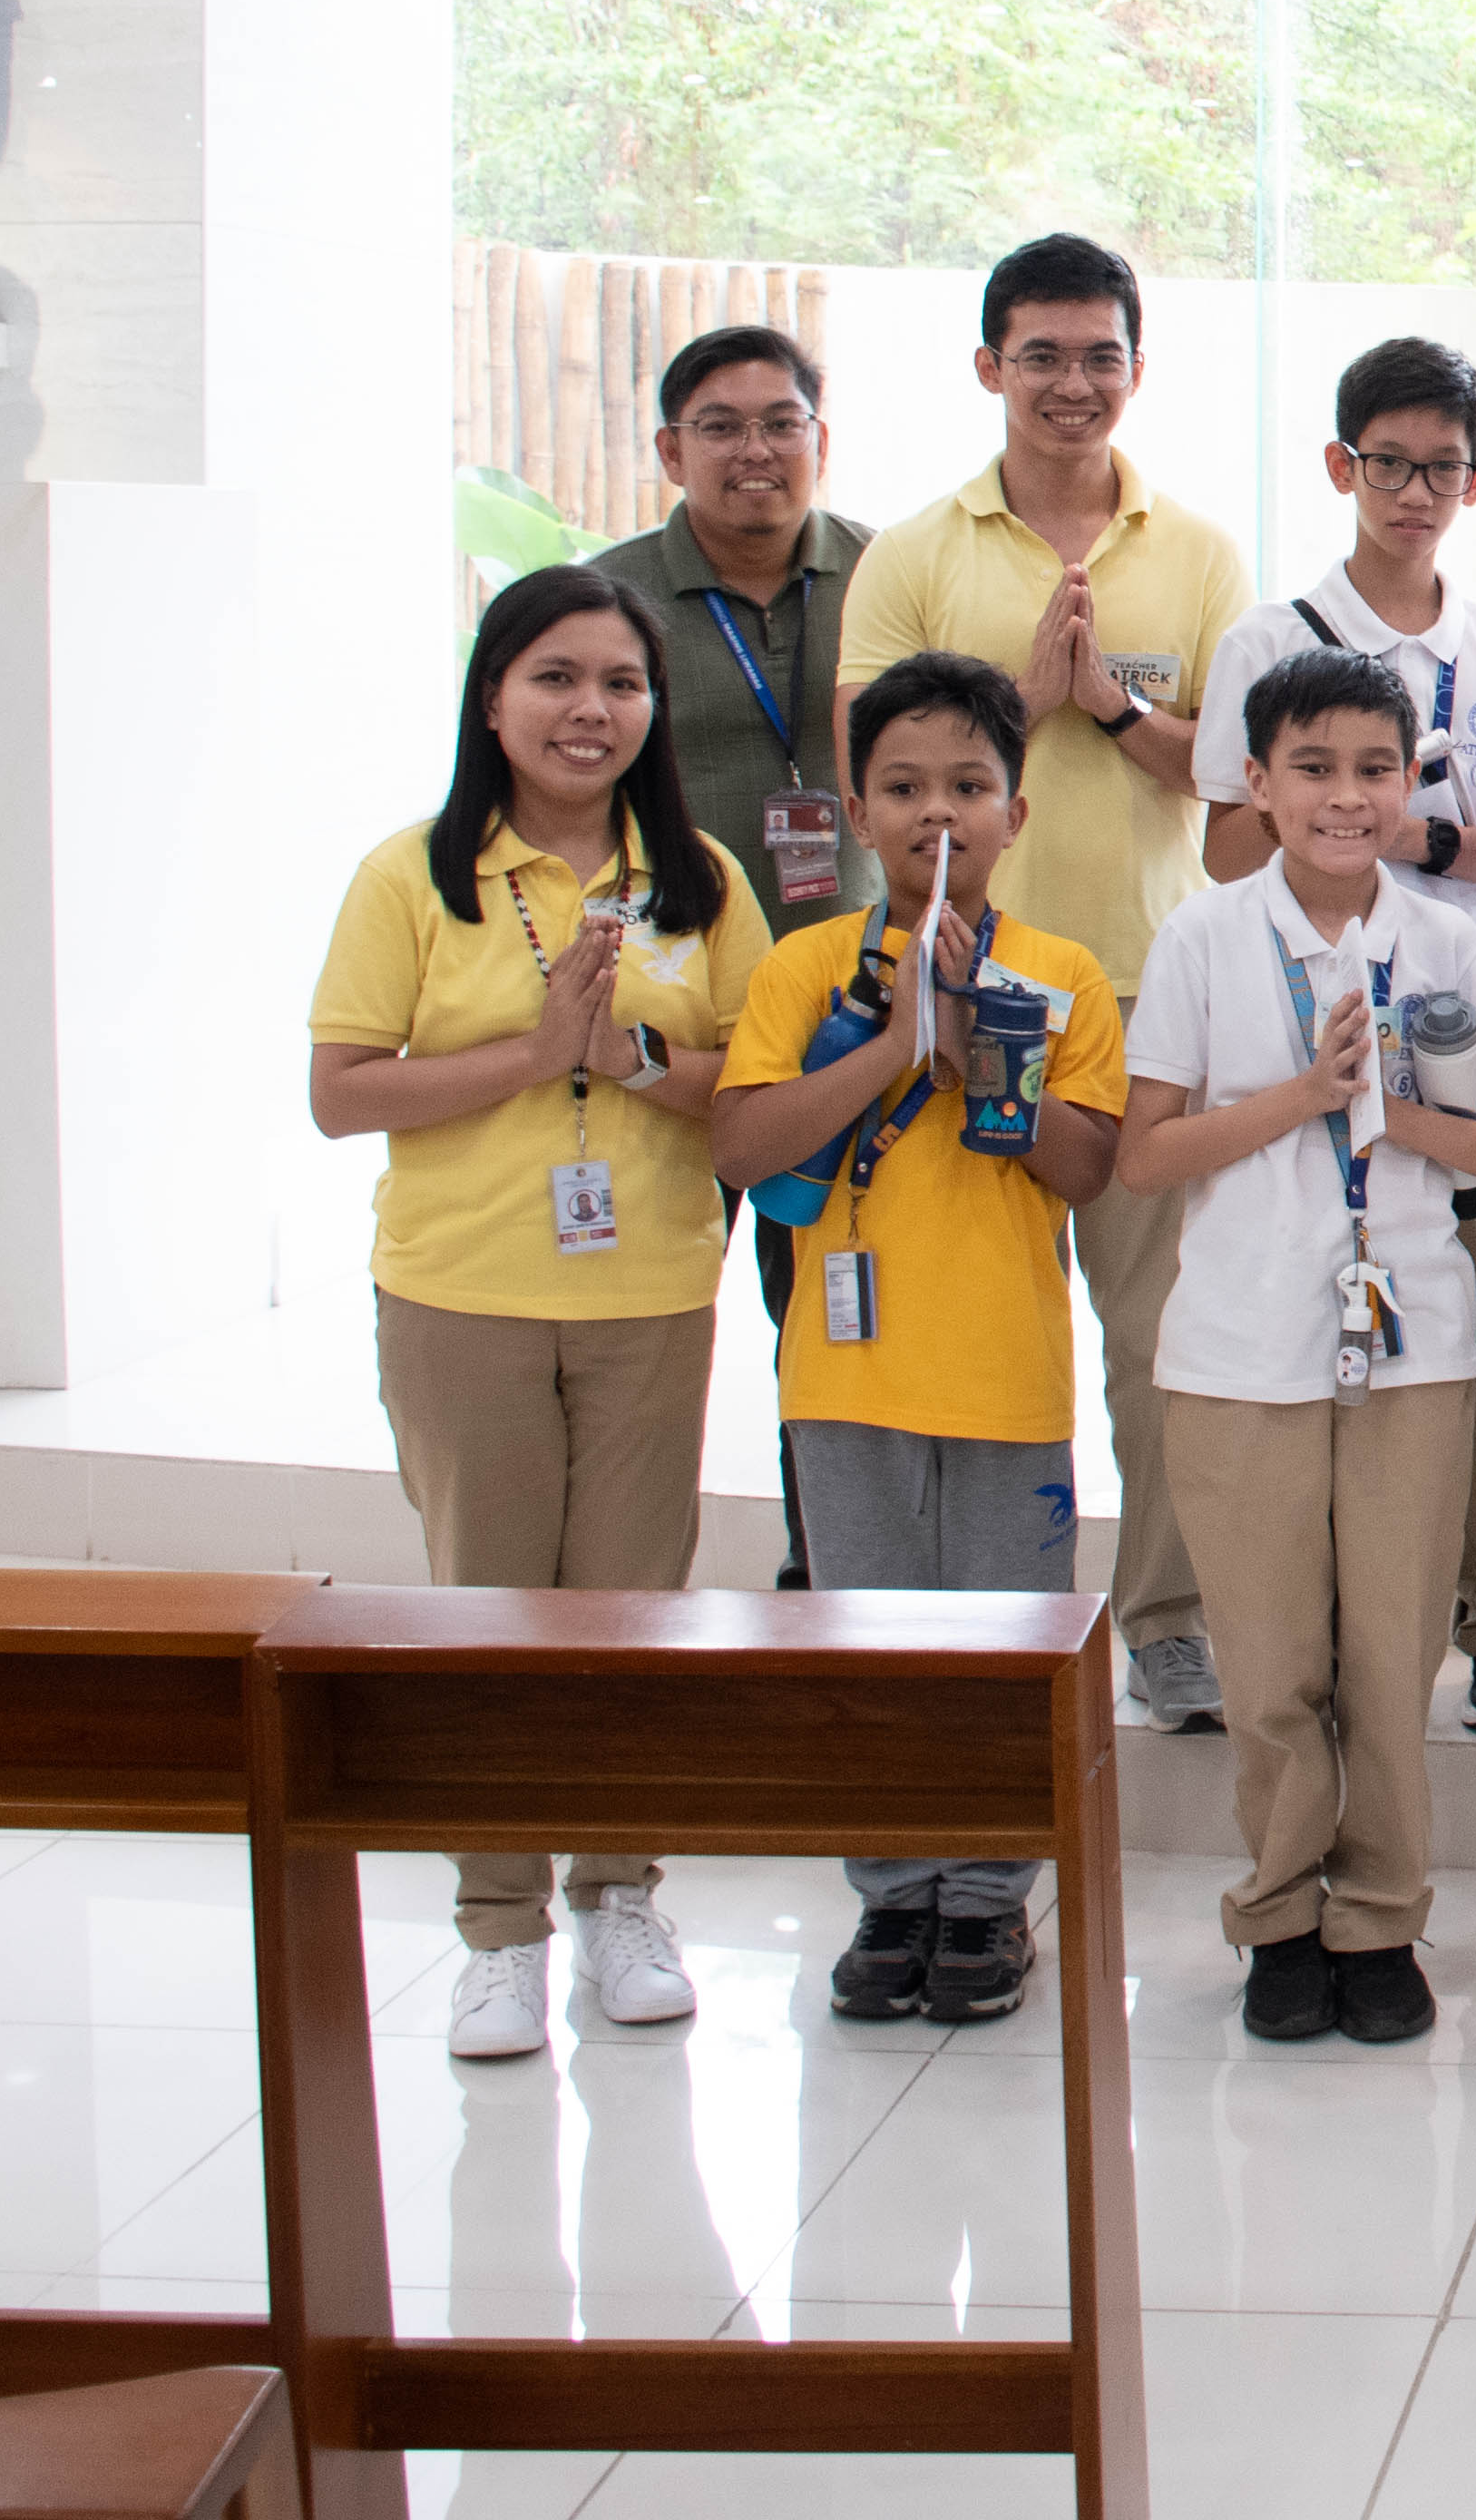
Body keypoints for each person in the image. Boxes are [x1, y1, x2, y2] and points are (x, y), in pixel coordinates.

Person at [307, 566, 769, 2062]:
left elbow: (757, 1085)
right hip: (461, 1293)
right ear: (493, 699)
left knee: (630, 1614)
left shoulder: (699, 877)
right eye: (556, 678)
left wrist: (633, 1058)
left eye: (621, 683)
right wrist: (532, 1053)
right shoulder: (414, 877)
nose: (591, 710)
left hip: (649, 1290)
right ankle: (499, 1929)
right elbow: (341, 1093)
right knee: (487, 1616)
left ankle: (621, 1892)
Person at [837, 235, 1254, 1737]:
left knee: (1158, 1341)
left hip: (1139, 997)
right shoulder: (913, 552)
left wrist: (1112, 707)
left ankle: (1169, 1624)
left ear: (1135, 369)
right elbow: (864, 762)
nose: (1072, 384)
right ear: (989, 366)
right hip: (952, 990)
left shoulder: (1197, 552)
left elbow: (1238, 777)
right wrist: (1019, 697)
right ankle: (976, 1625)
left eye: (1099, 356)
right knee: (978, 1327)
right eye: (1042, 356)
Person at [1126, 647, 1476, 2047]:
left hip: (1415, 1351)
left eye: (1375, 768)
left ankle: (1379, 1917)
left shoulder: (1450, 945)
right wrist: (1300, 1099)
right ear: (1255, 784)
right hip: (1239, 1355)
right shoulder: (1204, 938)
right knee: (1271, 1669)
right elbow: (1144, 1155)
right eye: (1311, 768)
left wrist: (1398, 1116)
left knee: (1388, 1660)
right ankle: (1277, 1915)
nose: (1345, 796)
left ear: (1409, 784)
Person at [709, 650, 1124, 2031]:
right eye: (901, 787)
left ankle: (989, 1896)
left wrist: (971, 1042)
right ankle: (893, 1892)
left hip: (1007, 1375)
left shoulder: (1063, 976)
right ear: (857, 810)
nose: (935, 814)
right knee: (867, 1649)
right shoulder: (803, 966)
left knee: (1005, 1647)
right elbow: (742, 1147)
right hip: (846, 1377)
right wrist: (887, 1044)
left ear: (1016, 812)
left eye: (967, 786)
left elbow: (1085, 1168)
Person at [1192, 337, 1476, 1740]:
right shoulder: (1272, 637)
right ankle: (1325, 1616)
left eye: (1442, 470)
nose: (1415, 493)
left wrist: (1418, 839)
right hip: (1303, 1018)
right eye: (1388, 464)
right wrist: (1360, 825)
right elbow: (1227, 847)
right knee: (1304, 1293)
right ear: (1341, 466)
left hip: (1463, 1016)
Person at [592, 319, 878, 1578]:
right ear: (671, 450)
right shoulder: (610, 598)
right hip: (673, 1012)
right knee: (646, 1313)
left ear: (821, 439)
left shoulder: (884, 574)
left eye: (780, 424)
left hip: (845, 1015)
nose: (754, 451)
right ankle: (627, 1584)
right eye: (720, 427)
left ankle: (829, 1569)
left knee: (832, 1312)